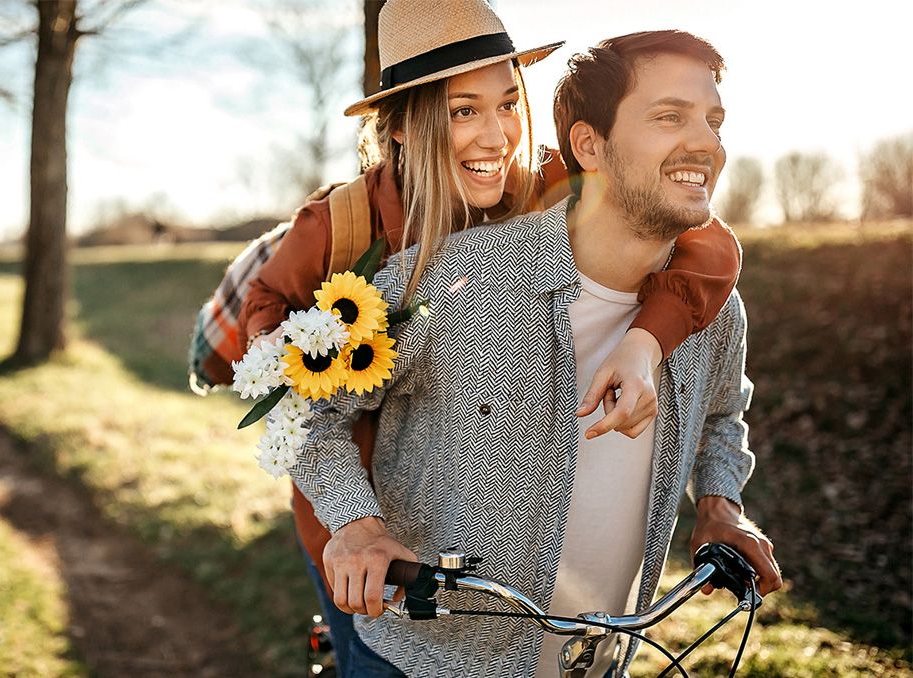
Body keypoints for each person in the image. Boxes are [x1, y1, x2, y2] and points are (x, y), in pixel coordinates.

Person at [236, 1, 743, 672]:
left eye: (507, 104)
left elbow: (697, 234)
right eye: (462, 111)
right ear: (406, 129)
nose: (496, 135)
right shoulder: (346, 225)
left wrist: (649, 341)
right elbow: (286, 369)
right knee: (362, 627)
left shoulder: (544, 181)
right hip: (357, 527)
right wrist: (352, 519)